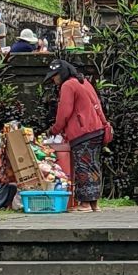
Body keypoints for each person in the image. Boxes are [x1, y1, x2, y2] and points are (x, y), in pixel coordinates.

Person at [45, 59, 114, 212]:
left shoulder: (68, 85)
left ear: (62, 73)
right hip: (97, 129)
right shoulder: (83, 82)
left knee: (82, 167)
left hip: (82, 132)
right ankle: (94, 204)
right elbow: (97, 104)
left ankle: (85, 204)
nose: (53, 79)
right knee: (93, 166)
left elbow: (64, 112)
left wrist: (54, 130)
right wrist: (104, 123)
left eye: (55, 76)